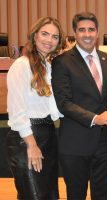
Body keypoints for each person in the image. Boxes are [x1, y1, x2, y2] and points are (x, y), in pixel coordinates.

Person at [51, 12, 107, 199]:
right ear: (75, 33)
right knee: (76, 195)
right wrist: (94, 118)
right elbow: (63, 103)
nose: (87, 34)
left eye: (91, 29)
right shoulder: (61, 61)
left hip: (106, 142)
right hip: (75, 142)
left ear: (97, 32)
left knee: (103, 195)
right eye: (82, 30)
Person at [6, 16, 64, 199]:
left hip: (48, 133)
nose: (49, 40)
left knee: (50, 194)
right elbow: (16, 111)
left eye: (55, 37)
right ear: (34, 35)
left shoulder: (49, 66)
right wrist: (31, 145)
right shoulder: (21, 65)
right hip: (27, 138)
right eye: (45, 34)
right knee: (34, 195)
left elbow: (55, 110)